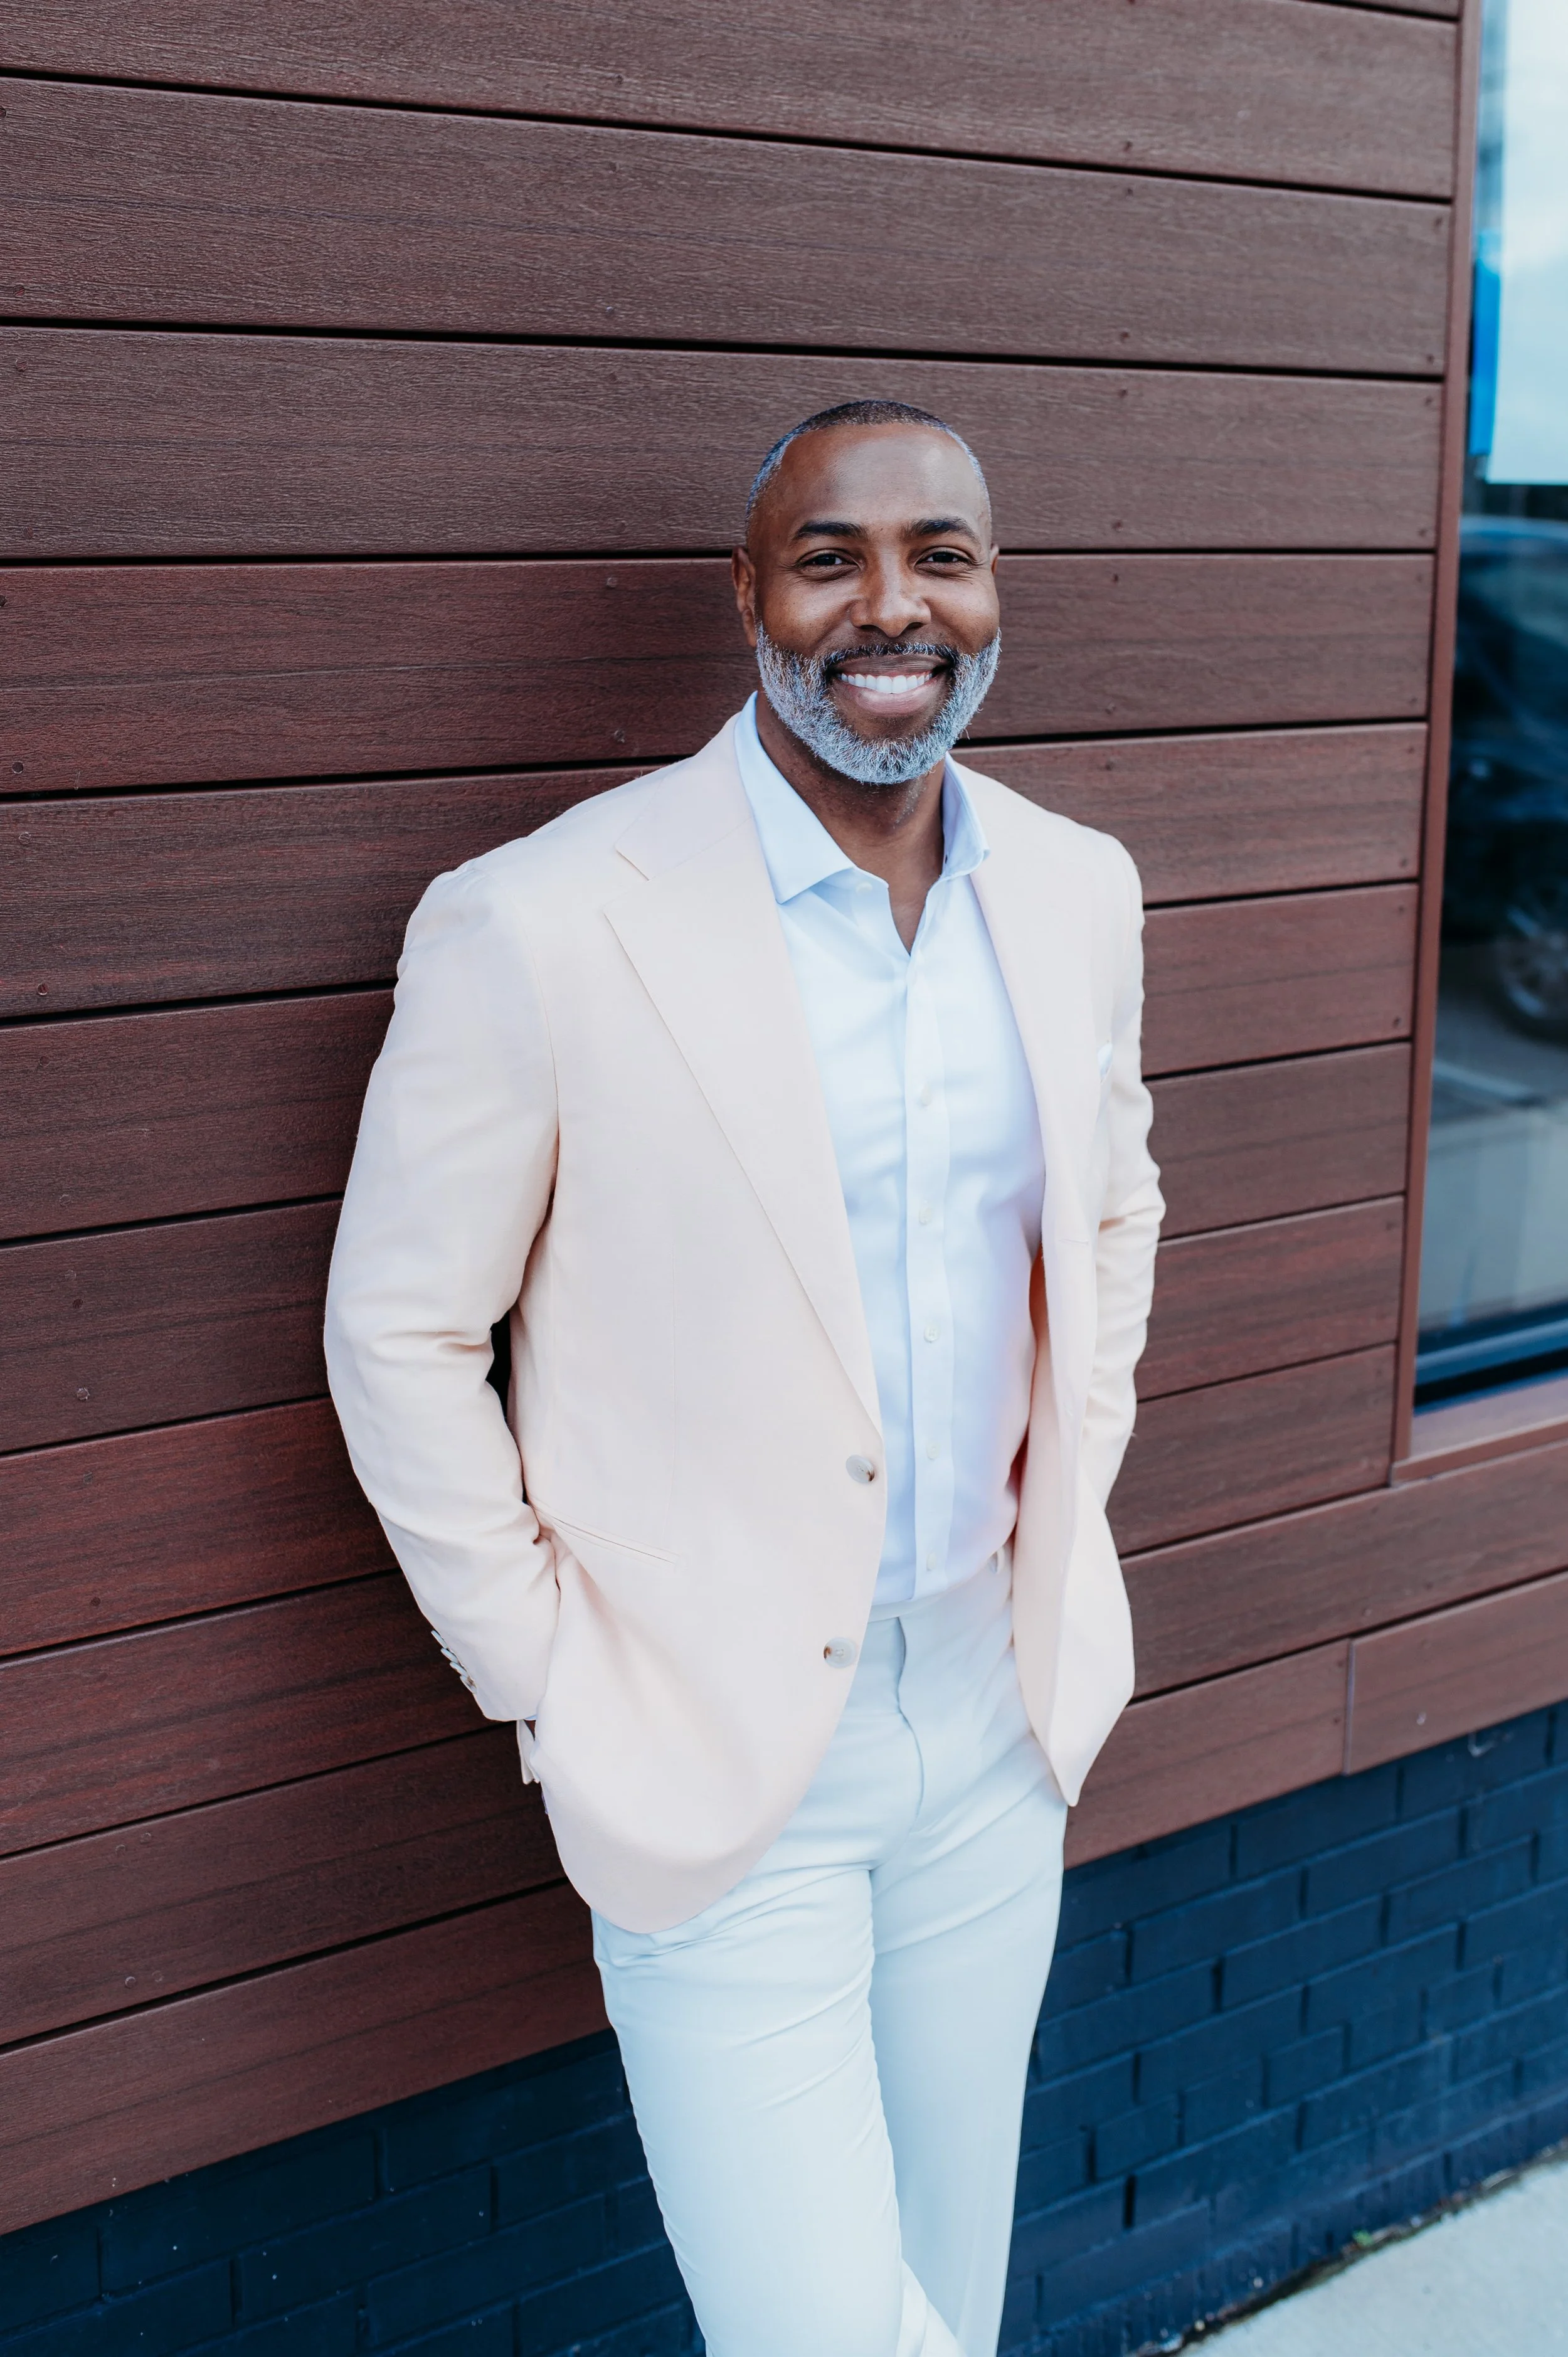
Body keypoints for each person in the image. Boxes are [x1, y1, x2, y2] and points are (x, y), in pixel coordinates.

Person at [324, 399, 1163, 2357]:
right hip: (711, 1751)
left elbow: (1111, 1208)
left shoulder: (1073, 888)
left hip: (994, 1703)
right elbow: (400, 1330)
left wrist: (1076, 1493)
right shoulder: (538, 920)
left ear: (991, 587)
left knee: (949, 2286)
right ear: (747, 595)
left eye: (940, 553)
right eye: (830, 556)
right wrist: (547, 1670)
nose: (893, 605)